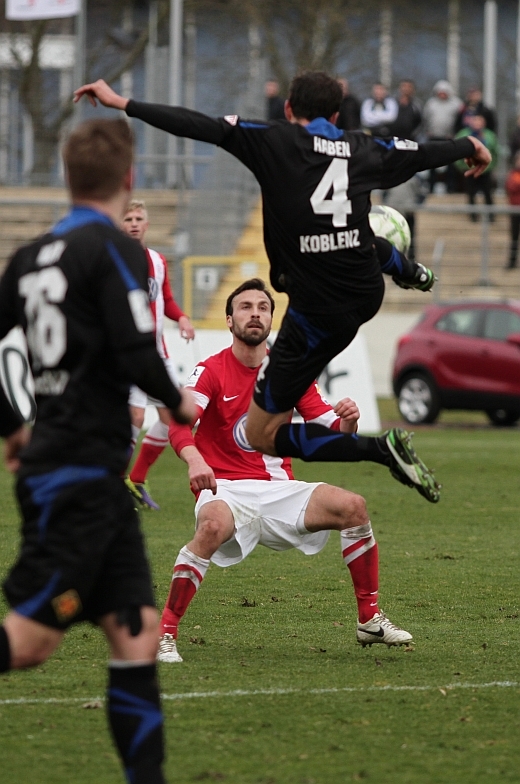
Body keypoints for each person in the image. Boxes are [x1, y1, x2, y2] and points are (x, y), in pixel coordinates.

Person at [74, 71, 491, 505]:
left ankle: (380, 449)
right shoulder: (363, 147)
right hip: (365, 293)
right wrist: (468, 146)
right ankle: (410, 271)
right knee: (362, 237)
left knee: (261, 434)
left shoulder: (273, 140)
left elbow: (198, 124)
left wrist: (124, 103)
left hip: (316, 312)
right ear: (336, 115)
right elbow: (419, 152)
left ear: (289, 109)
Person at [0, 117, 196, 784]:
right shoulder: (116, 249)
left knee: (137, 632)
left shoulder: (30, 257)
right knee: (29, 642)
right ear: (128, 178)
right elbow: (138, 349)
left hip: (89, 477)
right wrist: (178, 402)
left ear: (67, 177)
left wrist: (12, 427)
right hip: (75, 477)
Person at [158, 278, 413, 663]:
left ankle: (369, 620)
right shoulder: (210, 370)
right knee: (210, 527)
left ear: (271, 320)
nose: (255, 313)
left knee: (354, 507)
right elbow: (180, 423)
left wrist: (347, 421)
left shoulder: (289, 373)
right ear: (229, 320)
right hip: (226, 489)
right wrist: (195, 459)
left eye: (263, 307)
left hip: (279, 489)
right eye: (245, 307)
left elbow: (329, 427)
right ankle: (165, 633)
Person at [122, 199, 195, 510]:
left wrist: (182, 318)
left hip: (157, 355)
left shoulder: (158, 261)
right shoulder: (112, 260)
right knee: (136, 416)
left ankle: (136, 479)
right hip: (127, 355)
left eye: (138, 218)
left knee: (172, 418)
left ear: (147, 224)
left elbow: (166, 299)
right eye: (128, 219)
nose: (134, 224)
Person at [455, 114, 498, 222]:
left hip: (486, 170)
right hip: (469, 170)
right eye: (475, 121)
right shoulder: (463, 134)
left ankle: (491, 216)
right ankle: (473, 216)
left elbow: (496, 152)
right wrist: (461, 166)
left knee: (488, 193)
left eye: (480, 121)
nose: (477, 123)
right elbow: (455, 151)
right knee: (471, 193)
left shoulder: (489, 135)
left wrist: (491, 165)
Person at [422, 80, 463, 193]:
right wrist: (427, 131)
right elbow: (425, 118)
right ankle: (431, 187)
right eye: (440, 92)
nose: (442, 94)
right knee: (432, 163)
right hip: (434, 137)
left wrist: (455, 132)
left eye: (444, 92)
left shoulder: (456, 104)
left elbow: (460, 119)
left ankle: (451, 187)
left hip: (449, 137)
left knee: (450, 163)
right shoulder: (431, 103)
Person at [505, 151, 520, 269]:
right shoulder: (513, 174)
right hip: (515, 210)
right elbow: (512, 187)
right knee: (514, 237)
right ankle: (512, 261)